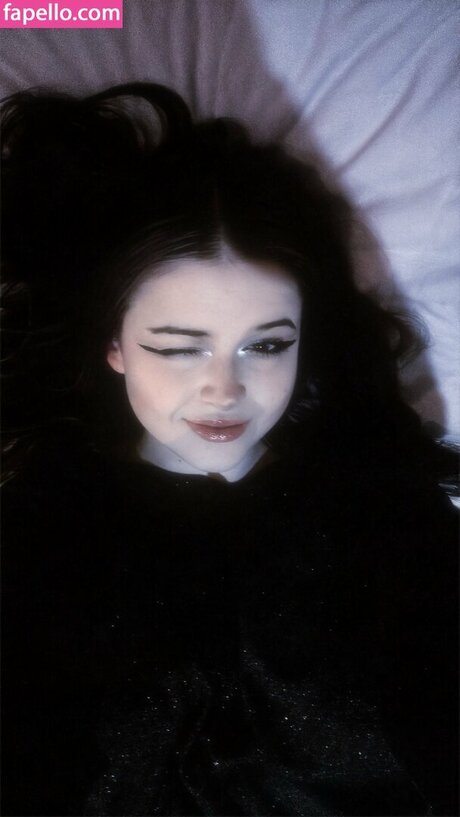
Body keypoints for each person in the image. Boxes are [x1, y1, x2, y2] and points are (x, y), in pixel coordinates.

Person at [1, 83, 458, 817]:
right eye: (179, 348)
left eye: (265, 346)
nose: (225, 389)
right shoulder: (40, 529)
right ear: (114, 344)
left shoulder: (382, 511)